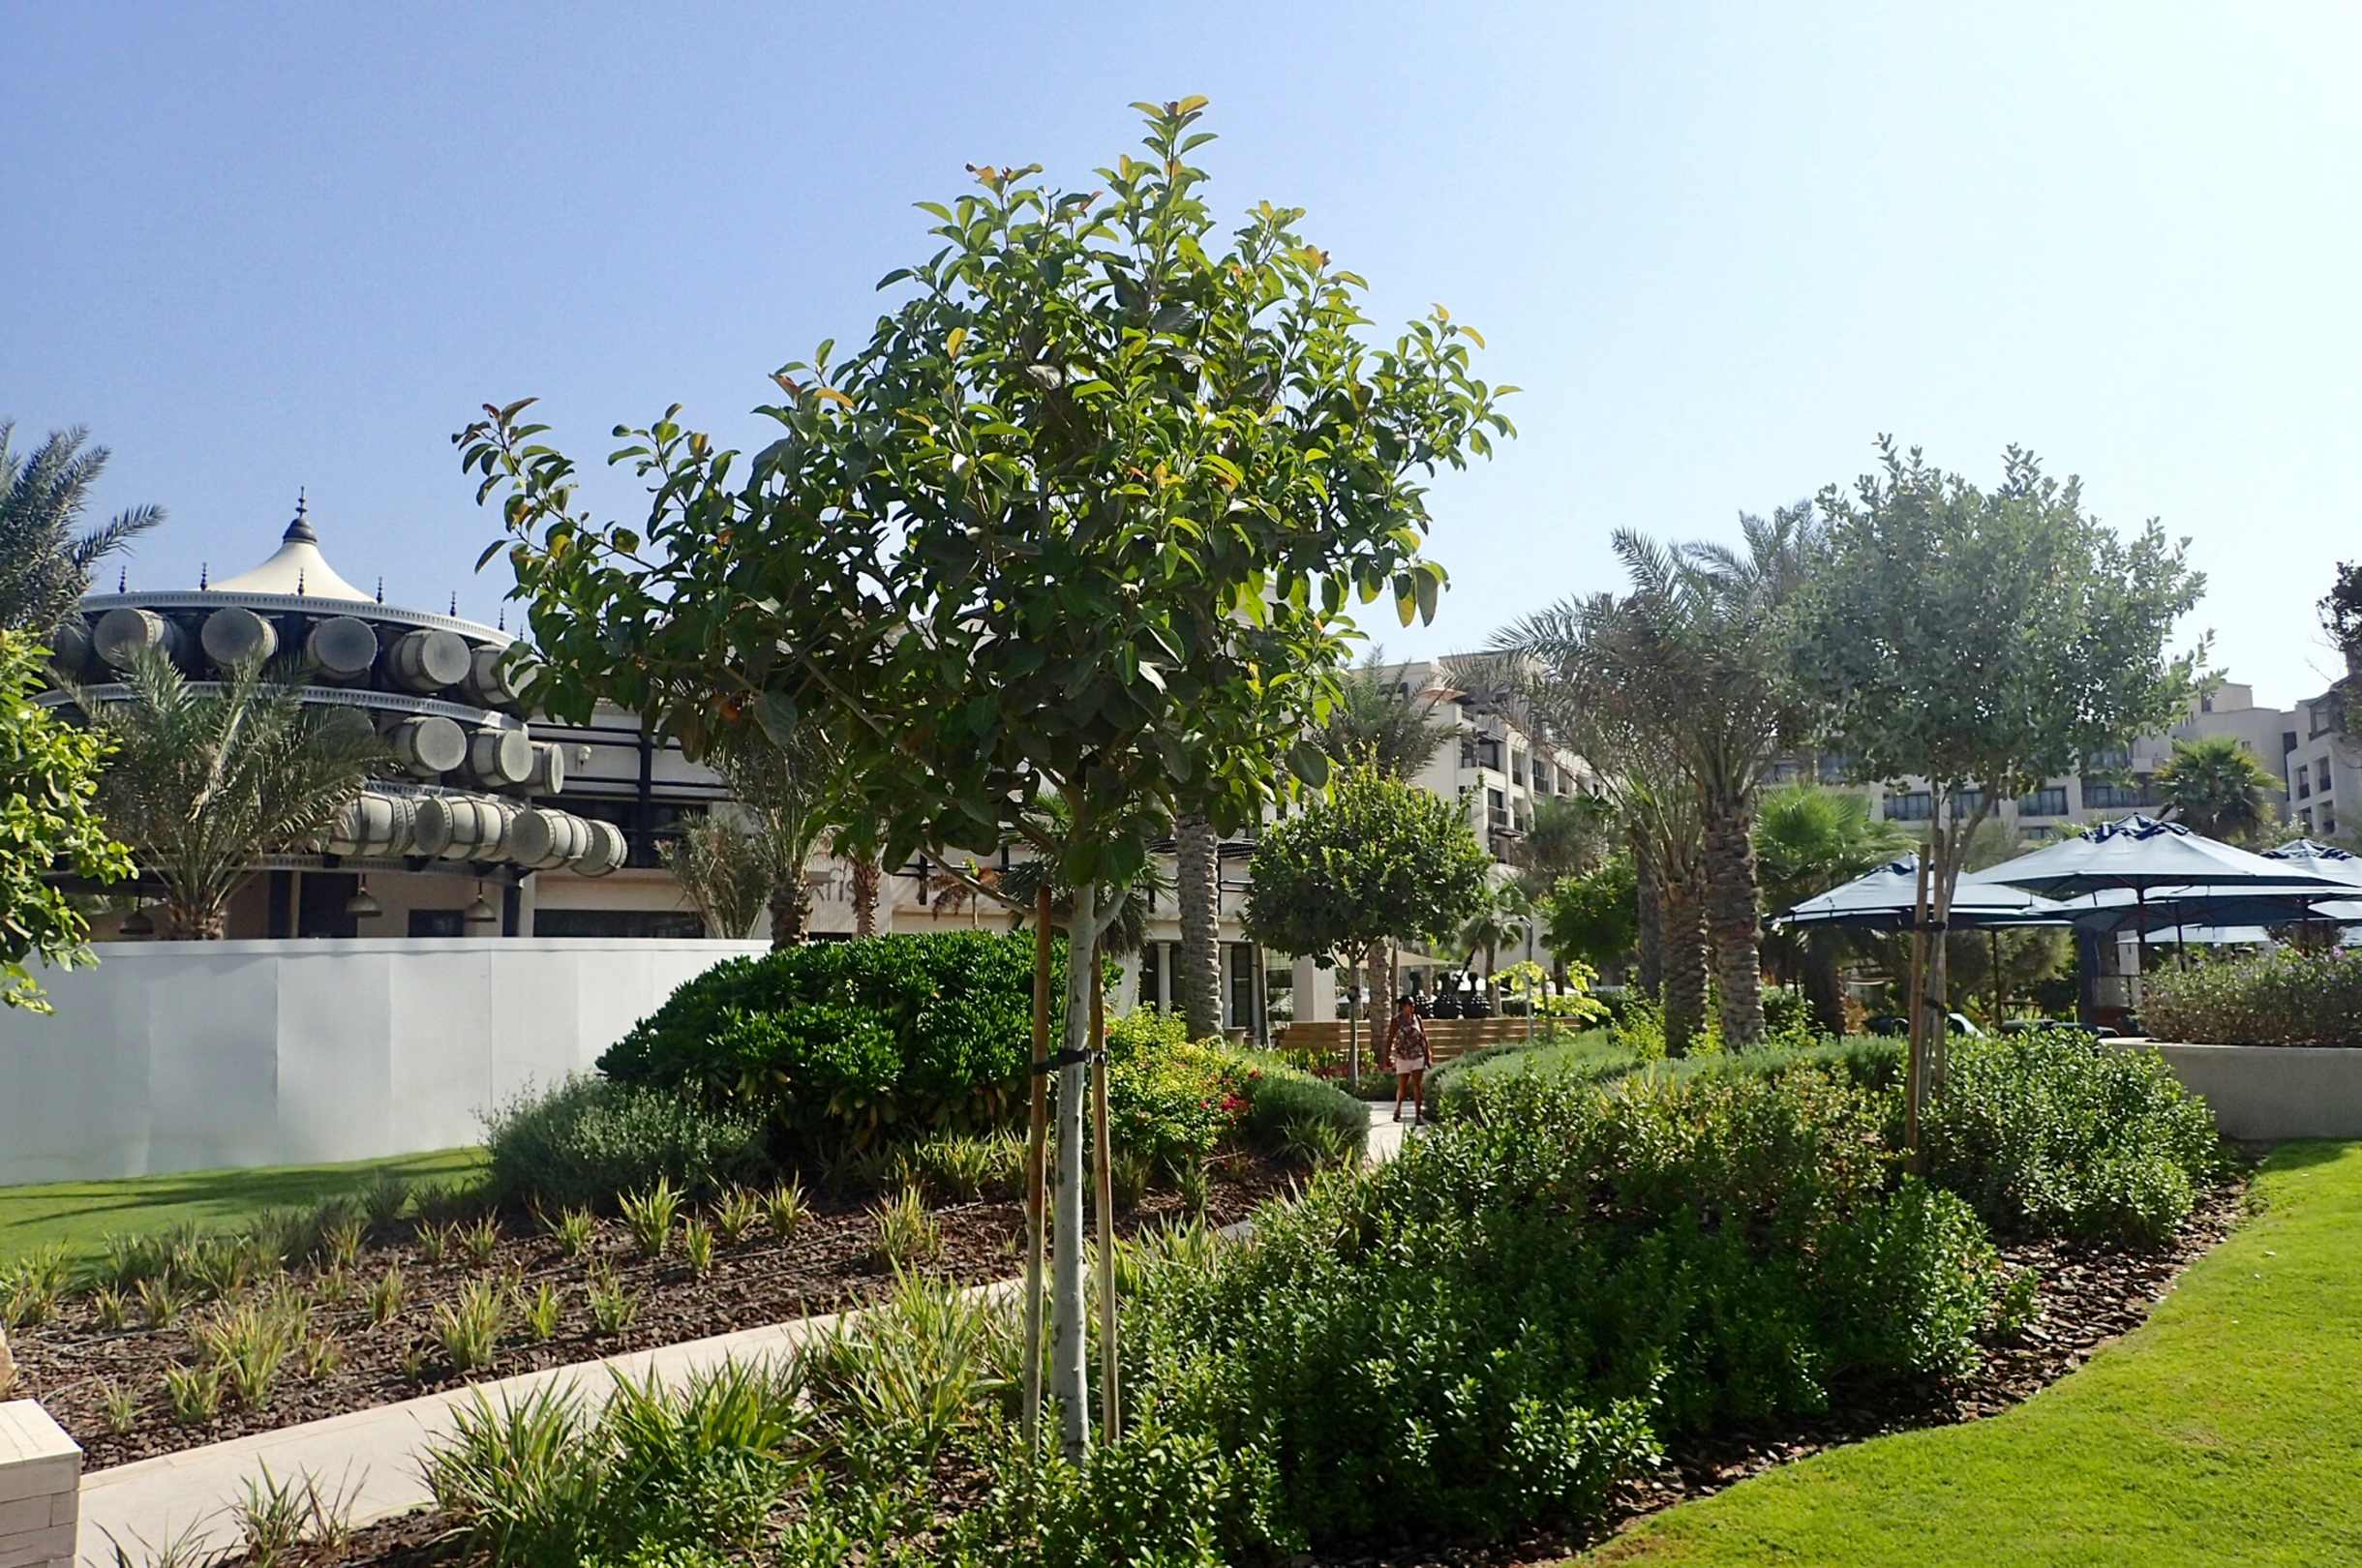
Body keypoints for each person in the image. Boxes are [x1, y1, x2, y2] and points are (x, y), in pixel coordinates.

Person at [1390, 994, 1431, 1124]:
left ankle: (1418, 1115)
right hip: (1402, 1057)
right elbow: (1390, 1038)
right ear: (1403, 1006)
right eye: (1410, 1004)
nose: (1413, 1006)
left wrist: (1428, 1055)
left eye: (1413, 1004)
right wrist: (1386, 1057)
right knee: (1402, 1087)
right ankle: (1398, 1109)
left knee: (1417, 1086)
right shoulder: (1396, 1020)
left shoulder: (1417, 1019)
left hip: (1417, 1055)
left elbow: (1423, 1037)